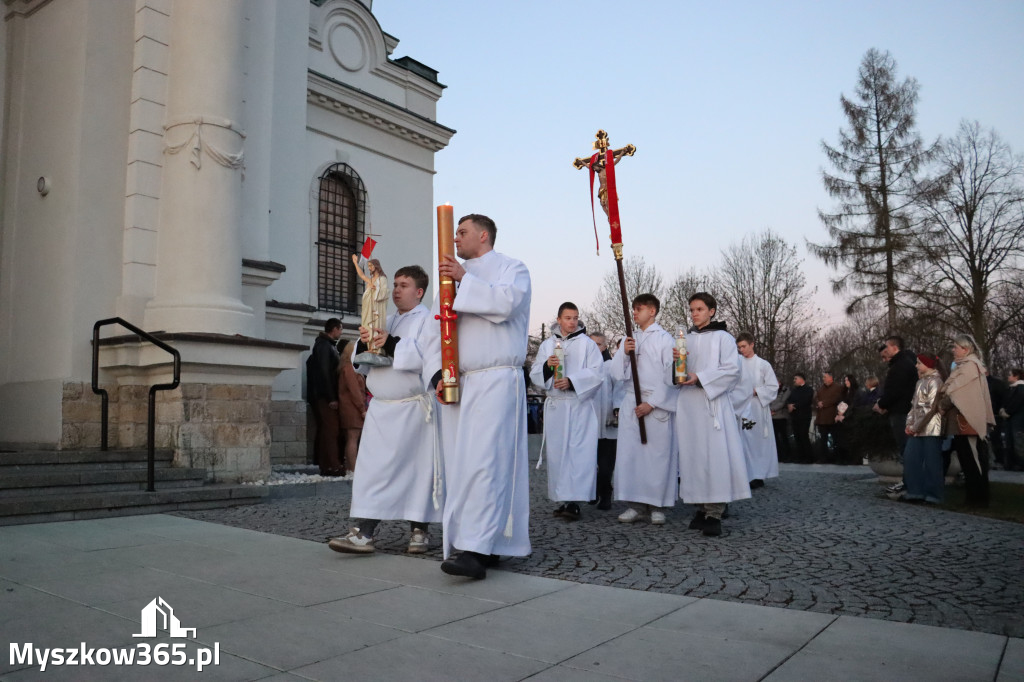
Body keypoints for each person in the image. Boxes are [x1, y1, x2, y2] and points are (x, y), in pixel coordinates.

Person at [429, 214, 532, 580]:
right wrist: (439, 373)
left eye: (463, 232)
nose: (455, 238)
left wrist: (463, 280)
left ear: (484, 235)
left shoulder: (511, 268)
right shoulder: (451, 277)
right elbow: (437, 329)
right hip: (461, 382)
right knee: (462, 464)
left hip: (495, 378)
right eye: (454, 231)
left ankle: (474, 549)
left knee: (487, 462)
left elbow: (506, 305)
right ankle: (483, 542)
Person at [328, 266, 440, 555]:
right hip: (381, 408)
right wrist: (365, 342)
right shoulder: (383, 319)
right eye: (396, 284)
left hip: (413, 409)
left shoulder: (429, 321)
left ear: (419, 291)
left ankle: (419, 531)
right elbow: (360, 364)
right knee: (374, 470)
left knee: (417, 471)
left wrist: (390, 344)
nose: (397, 290)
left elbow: (426, 357)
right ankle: (364, 532)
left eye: (404, 285)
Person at [675, 293, 750, 536]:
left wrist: (701, 378)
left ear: (712, 311)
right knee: (692, 456)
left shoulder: (724, 338)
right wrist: (676, 363)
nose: (694, 313)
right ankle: (700, 508)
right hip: (689, 407)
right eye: (692, 309)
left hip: (712, 406)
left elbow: (732, 371)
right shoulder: (685, 338)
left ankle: (715, 512)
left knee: (714, 458)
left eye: (699, 309)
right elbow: (677, 374)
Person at [529, 302, 604, 521]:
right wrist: (547, 367)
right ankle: (562, 499)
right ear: (559, 319)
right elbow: (535, 374)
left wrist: (572, 381)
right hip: (556, 407)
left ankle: (575, 501)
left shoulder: (587, 345)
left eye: (575, 318)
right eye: (568, 318)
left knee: (579, 453)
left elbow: (597, 373)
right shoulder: (547, 345)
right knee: (558, 453)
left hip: (578, 405)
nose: (572, 322)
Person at [614, 293, 678, 525]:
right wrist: (623, 352)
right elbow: (616, 374)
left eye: (639, 308)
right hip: (632, 400)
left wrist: (652, 404)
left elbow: (670, 375)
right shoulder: (628, 339)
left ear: (652, 311)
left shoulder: (664, 339)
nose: (634, 312)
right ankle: (635, 503)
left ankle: (657, 504)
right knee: (632, 456)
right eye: (633, 309)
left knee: (657, 456)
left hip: (655, 403)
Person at [938, 334, 995, 508]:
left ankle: (977, 498)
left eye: (956, 347)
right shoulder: (967, 366)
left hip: (968, 421)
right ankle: (974, 497)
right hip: (962, 422)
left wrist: (943, 404)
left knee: (973, 460)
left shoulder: (970, 367)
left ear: (966, 349)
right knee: (967, 460)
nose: (953, 350)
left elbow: (955, 392)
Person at [731, 332, 780, 489]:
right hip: (739, 406)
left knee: (757, 442)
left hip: (756, 407)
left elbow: (773, 386)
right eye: (738, 347)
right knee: (741, 441)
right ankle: (742, 474)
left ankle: (758, 475)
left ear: (752, 344)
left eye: (744, 346)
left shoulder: (763, 364)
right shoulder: (736, 363)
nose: (741, 350)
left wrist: (756, 391)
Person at [900, 354, 946, 504]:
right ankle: (915, 491)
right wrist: (909, 424)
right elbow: (913, 405)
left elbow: (930, 408)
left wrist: (915, 426)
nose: (916, 366)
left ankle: (933, 494)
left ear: (928, 364)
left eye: (919, 363)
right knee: (911, 458)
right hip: (916, 428)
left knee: (932, 461)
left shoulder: (935, 381)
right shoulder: (920, 382)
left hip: (931, 427)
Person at [305, 318, 345, 476]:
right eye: (340, 329)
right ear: (334, 329)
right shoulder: (324, 346)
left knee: (327, 430)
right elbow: (324, 373)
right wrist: (331, 398)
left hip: (322, 395)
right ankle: (332, 465)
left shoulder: (325, 345)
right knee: (331, 430)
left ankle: (327, 465)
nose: (341, 332)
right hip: (324, 396)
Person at [590, 331, 624, 509]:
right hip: (589, 424)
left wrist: (616, 409)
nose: (595, 348)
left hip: (608, 423)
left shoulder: (610, 366)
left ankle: (605, 495)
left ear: (604, 347)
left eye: (599, 344)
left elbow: (619, 389)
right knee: (588, 463)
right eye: (592, 344)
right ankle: (591, 491)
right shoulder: (586, 367)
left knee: (605, 467)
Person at [336, 339, 366, 473]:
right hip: (352, 408)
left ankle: (351, 466)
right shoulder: (349, 369)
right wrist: (362, 409)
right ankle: (353, 468)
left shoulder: (346, 367)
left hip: (350, 407)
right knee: (353, 438)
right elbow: (354, 390)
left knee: (352, 438)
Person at [351, 255, 389, 356]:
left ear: (376, 266)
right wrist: (355, 262)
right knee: (368, 327)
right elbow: (362, 275)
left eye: (371, 266)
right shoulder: (371, 280)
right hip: (368, 307)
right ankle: (370, 347)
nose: (369, 268)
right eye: (368, 266)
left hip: (376, 309)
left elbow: (384, 292)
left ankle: (376, 348)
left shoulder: (382, 279)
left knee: (375, 326)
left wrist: (376, 290)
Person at [813, 372, 843, 463]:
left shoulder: (837, 388)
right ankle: (823, 458)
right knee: (823, 440)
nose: (823, 379)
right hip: (822, 418)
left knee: (836, 439)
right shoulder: (821, 388)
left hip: (832, 417)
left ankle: (837, 458)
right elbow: (816, 398)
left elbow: (836, 399)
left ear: (831, 378)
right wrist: (818, 403)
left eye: (825, 377)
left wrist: (824, 403)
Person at [787, 373, 814, 463]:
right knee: (797, 436)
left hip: (804, 416)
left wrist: (794, 406)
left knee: (804, 436)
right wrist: (789, 405)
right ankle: (800, 457)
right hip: (795, 417)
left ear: (802, 379)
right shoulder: (794, 390)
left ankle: (808, 457)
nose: (794, 380)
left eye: (796, 378)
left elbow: (806, 400)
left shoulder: (808, 389)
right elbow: (789, 399)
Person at [1002, 368, 1024, 471]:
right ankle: (1011, 463)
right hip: (1012, 420)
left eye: (1010, 375)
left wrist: (1008, 411)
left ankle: (1020, 464)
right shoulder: (1012, 388)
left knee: (1018, 442)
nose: (1008, 376)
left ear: (1016, 376)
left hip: (1018, 420)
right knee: (1010, 442)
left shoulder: (1020, 388)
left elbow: (1017, 402)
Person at [769, 383, 792, 462]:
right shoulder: (771, 389)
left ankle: (787, 456)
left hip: (781, 417)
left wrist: (772, 410)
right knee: (775, 438)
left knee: (784, 437)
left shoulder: (786, 390)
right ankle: (778, 456)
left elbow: (782, 402)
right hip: (772, 417)